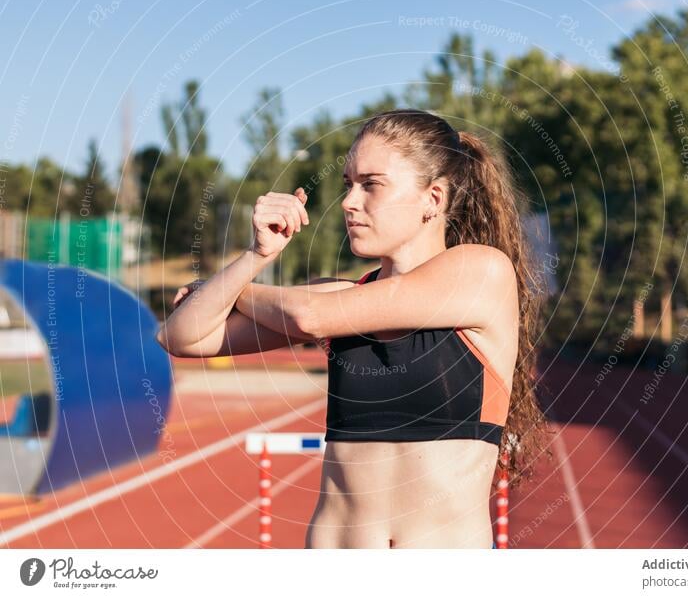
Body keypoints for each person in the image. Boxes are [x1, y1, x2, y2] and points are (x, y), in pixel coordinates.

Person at [157, 108, 550, 548]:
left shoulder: (481, 272)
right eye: (348, 185)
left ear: (433, 199)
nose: (348, 202)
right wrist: (257, 257)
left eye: (371, 185)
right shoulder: (341, 294)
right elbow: (180, 336)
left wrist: (230, 291)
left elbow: (310, 317)